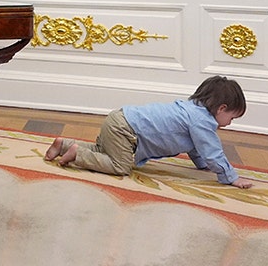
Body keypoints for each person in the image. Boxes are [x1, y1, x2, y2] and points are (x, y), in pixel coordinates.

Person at [45, 76, 254, 189]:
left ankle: (64, 145)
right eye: (232, 118)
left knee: (104, 152)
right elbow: (212, 151)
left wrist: (202, 166)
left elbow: (197, 149)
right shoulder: (203, 121)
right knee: (120, 166)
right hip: (127, 130)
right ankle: (78, 155)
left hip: (120, 119)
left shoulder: (191, 111)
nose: (230, 123)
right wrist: (230, 177)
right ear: (221, 109)